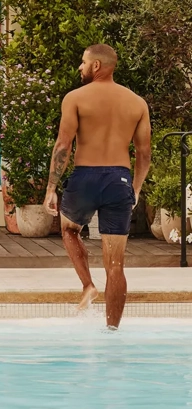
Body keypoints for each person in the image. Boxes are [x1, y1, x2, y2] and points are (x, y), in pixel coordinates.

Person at [43, 44, 151, 330]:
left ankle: (88, 285)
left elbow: (63, 145)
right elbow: (144, 154)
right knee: (115, 265)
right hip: (119, 180)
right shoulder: (137, 103)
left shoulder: (75, 98)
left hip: (85, 178)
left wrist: (51, 188)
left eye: (83, 62)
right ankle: (112, 330)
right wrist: (136, 189)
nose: (80, 67)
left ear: (96, 67)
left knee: (68, 229)